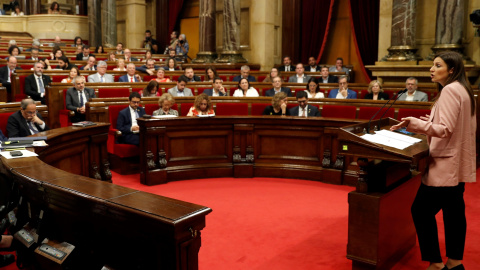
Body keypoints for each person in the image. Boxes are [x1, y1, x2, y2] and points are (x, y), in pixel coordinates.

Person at [390, 51, 475, 270]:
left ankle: (436, 263)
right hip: (458, 164)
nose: (432, 69)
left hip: (445, 165)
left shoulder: (449, 90)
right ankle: (455, 263)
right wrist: (432, 120)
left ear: (452, 70)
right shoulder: (464, 90)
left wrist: (415, 124)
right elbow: (459, 125)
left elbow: (445, 130)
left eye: (437, 65)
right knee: (454, 214)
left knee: (420, 210)